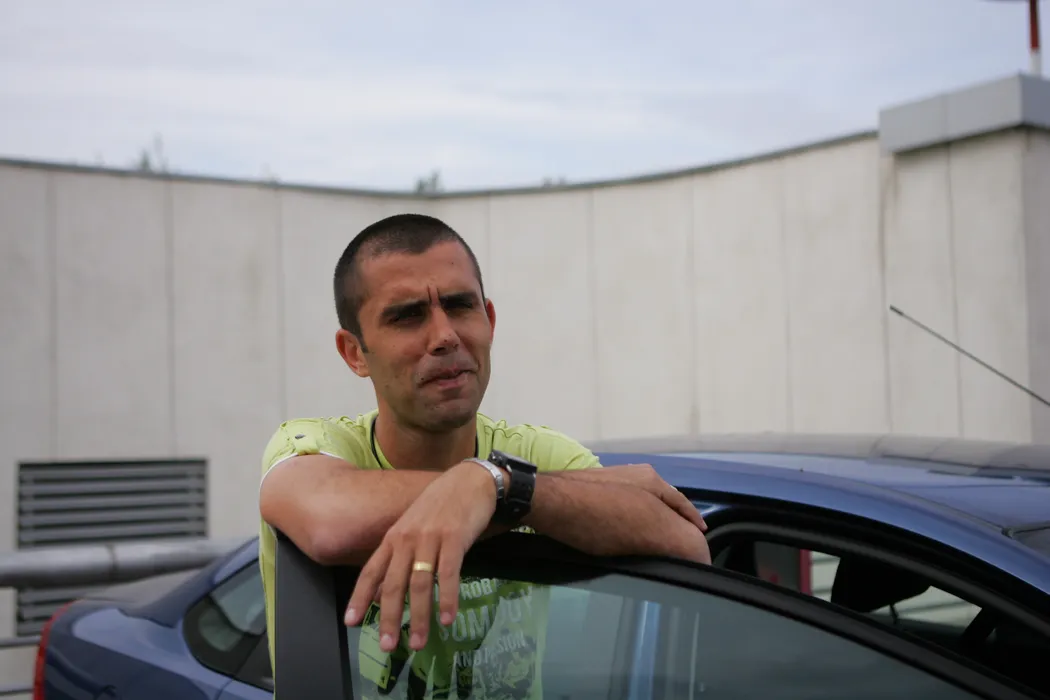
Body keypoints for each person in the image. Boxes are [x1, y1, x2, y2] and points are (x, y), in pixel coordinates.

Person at [258, 213, 710, 698]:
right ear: (354, 352)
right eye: (407, 315)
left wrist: (494, 484)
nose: (445, 336)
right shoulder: (314, 445)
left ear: (489, 321)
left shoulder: (536, 452)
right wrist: (501, 489)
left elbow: (688, 546)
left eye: (460, 306)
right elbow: (329, 523)